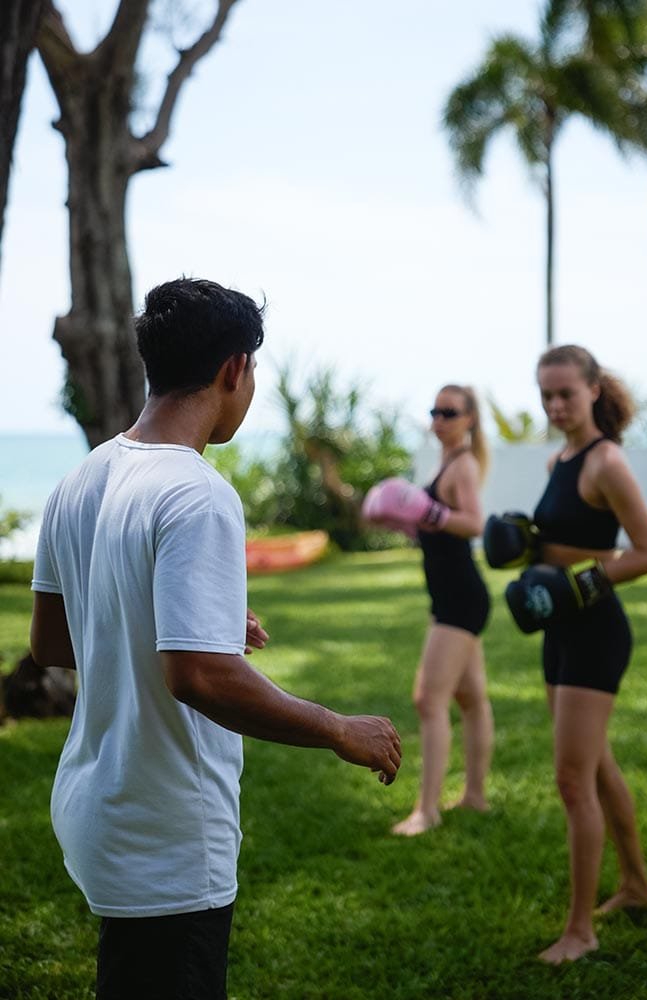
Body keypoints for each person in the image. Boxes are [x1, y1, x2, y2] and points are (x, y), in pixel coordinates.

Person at [30, 277, 402, 1000]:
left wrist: (179, 621)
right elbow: (199, 677)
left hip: (97, 809)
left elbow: (53, 640)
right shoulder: (196, 491)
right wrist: (338, 729)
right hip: (164, 835)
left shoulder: (82, 478)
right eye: (254, 369)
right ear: (235, 368)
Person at [505, 344, 647, 964]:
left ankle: (580, 930)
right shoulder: (559, 459)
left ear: (594, 388)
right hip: (560, 629)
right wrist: (526, 548)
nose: (555, 405)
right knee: (595, 767)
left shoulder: (607, 463)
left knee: (573, 780)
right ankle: (637, 886)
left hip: (597, 630)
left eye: (566, 393)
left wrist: (581, 583)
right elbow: (569, 544)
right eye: (546, 394)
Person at [392, 385, 493, 837]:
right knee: (470, 700)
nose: (440, 419)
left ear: (469, 419)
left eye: (450, 412)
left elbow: (473, 523)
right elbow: (439, 525)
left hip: (459, 600)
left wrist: (428, 513)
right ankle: (474, 796)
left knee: (428, 699)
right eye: (435, 410)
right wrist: (409, 520)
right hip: (452, 597)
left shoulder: (464, 465)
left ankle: (426, 811)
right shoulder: (448, 463)